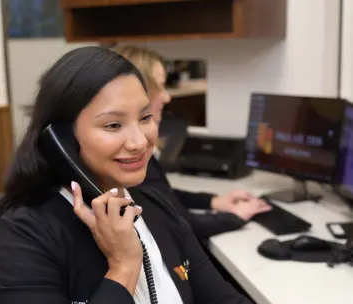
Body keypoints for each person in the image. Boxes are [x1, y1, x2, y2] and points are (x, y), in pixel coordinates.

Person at [0, 46, 353, 304]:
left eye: (145, 118)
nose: (140, 141)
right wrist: (123, 269)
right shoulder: (25, 234)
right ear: (59, 137)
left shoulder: (152, 205)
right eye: (113, 125)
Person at [112, 45, 271, 239]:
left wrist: (213, 201)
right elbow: (181, 225)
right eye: (160, 87)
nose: (167, 97)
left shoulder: (141, 152)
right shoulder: (130, 156)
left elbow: (165, 198)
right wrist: (235, 217)